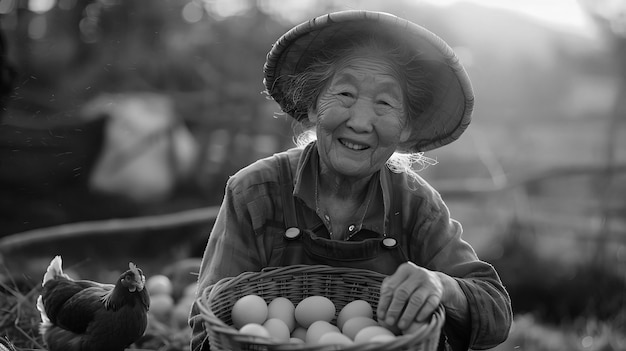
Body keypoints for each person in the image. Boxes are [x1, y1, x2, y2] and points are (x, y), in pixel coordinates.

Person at [189, 10, 512, 351]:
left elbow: (496, 315)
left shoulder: (417, 206)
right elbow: (207, 329)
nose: (360, 122)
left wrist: (442, 286)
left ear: (405, 129)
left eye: (385, 102)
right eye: (345, 94)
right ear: (313, 107)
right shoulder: (255, 193)